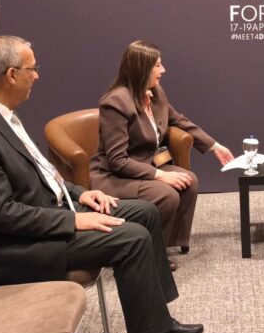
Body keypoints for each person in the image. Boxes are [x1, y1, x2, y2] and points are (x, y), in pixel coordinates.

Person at [0, 35, 200, 333]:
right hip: (7, 249)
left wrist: (81, 193)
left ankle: (157, 322)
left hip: (42, 217)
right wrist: (74, 219)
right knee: (132, 238)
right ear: (11, 75)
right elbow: (0, 215)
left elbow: (42, 175)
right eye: (32, 69)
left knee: (146, 213)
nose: (37, 75)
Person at [90, 40, 234, 264]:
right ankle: (150, 254)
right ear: (142, 68)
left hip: (147, 164)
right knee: (166, 194)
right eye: (157, 65)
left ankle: (165, 243)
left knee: (189, 181)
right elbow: (117, 160)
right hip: (116, 176)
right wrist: (161, 175)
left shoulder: (156, 93)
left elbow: (179, 120)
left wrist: (214, 146)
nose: (163, 70)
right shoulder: (115, 103)